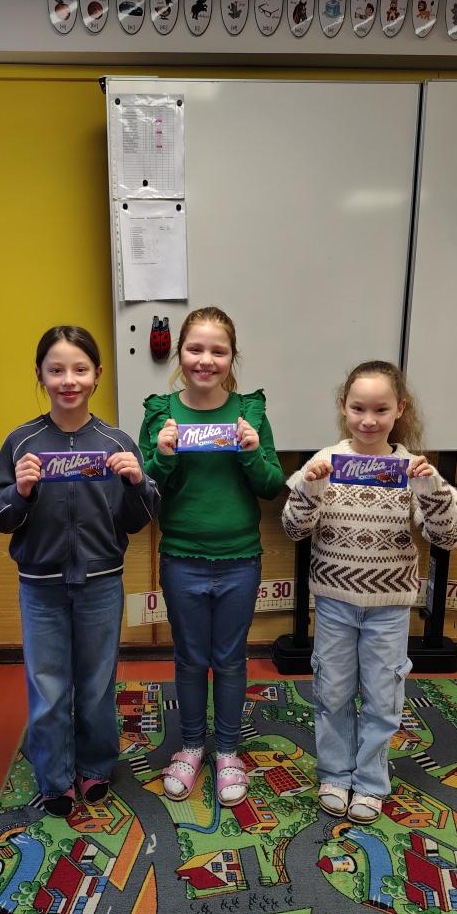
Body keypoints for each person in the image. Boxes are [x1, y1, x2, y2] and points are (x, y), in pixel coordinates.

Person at [0, 326, 159, 817]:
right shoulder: (22, 442)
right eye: (56, 370)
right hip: (41, 588)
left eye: (79, 369)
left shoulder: (116, 442)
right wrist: (19, 492)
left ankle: (95, 764)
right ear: (40, 376)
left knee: (96, 685)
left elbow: (140, 518)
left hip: (101, 583)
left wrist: (138, 483)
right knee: (49, 686)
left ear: (97, 374)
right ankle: (55, 776)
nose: (68, 380)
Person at [282, 360, 457, 824]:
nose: (368, 419)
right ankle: (334, 775)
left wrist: (431, 490)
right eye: (358, 408)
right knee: (333, 692)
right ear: (343, 407)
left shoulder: (412, 468)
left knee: (383, 699)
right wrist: (309, 488)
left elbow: (449, 536)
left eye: (380, 409)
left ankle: (369, 783)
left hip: (390, 609)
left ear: (399, 409)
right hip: (335, 603)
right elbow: (293, 529)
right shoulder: (325, 461)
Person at [139, 306, 285, 807]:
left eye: (217, 351)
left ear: (231, 357)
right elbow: (146, 488)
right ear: (179, 354)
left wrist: (250, 451)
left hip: (240, 559)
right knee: (189, 657)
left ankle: (227, 751)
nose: (206, 360)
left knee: (229, 658)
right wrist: (162, 456)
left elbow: (271, 484)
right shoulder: (161, 412)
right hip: (182, 557)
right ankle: (190, 746)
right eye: (195, 349)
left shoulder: (249, 412)